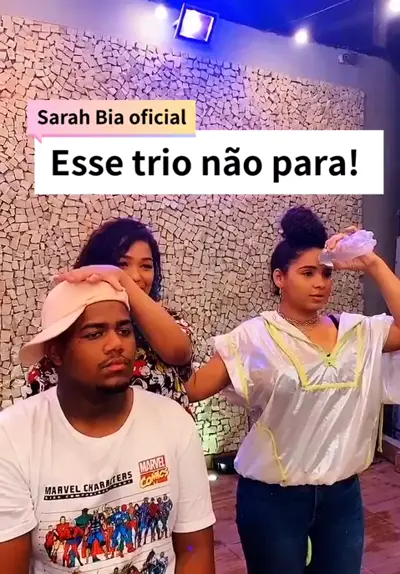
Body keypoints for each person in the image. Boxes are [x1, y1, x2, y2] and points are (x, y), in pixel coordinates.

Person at [184, 206, 400, 574]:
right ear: (279, 278)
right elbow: (193, 388)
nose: (321, 283)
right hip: (273, 499)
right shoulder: (254, 336)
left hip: (342, 495)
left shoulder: (357, 333)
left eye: (327, 273)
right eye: (307, 273)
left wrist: (372, 263)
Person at [0, 279, 216, 574]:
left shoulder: (173, 422)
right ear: (56, 352)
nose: (116, 344)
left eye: (124, 331)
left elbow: (195, 549)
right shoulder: (12, 436)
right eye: (94, 333)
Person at [24, 218, 194, 413]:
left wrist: (120, 278)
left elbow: (179, 355)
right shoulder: (72, 318)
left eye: (146, 266)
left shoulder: (168, 318)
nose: (136, 276)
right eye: (122, 264)